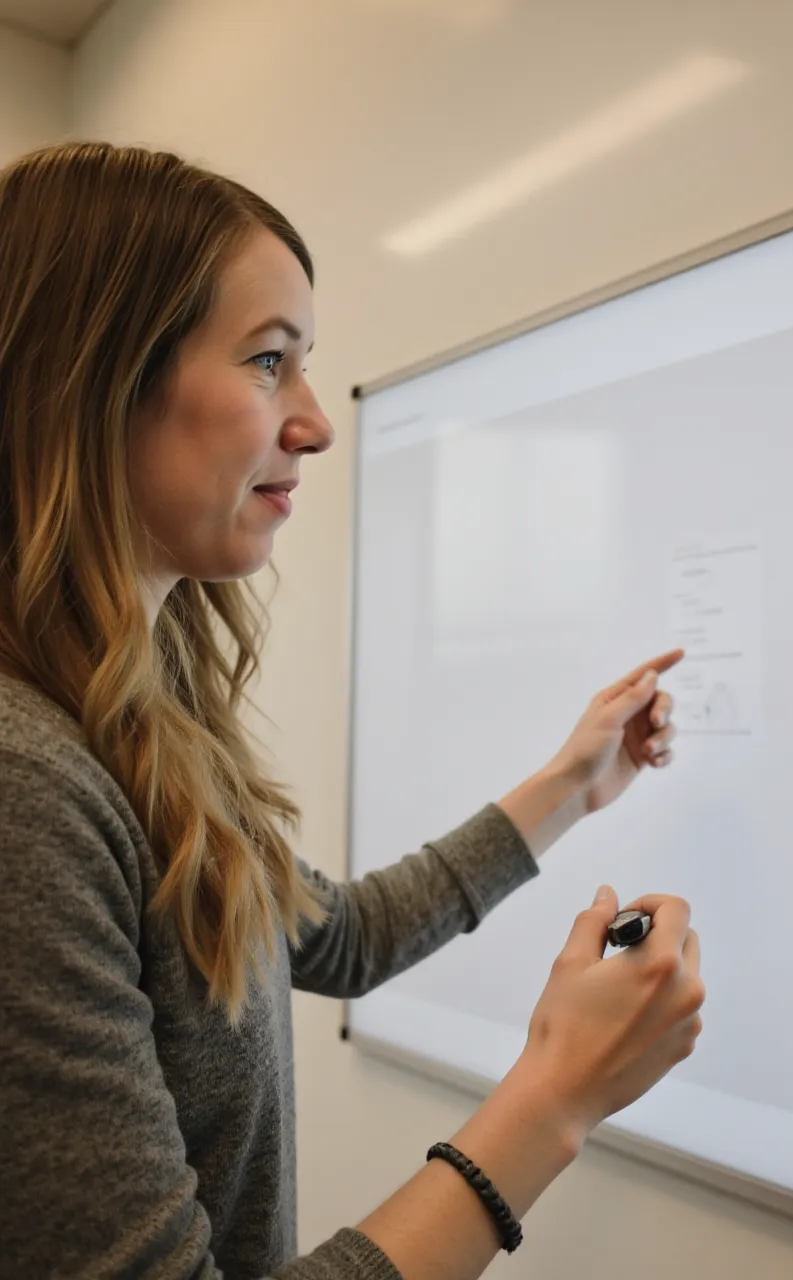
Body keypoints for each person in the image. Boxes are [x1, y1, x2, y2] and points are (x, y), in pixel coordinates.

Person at [0, 142, 705, 1280]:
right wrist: (555, 1096)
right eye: (268, 361)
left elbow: (342, 935)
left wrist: (574, 782)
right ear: (97, 383)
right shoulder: (24, 783)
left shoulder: (136, 732)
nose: (318, 423)